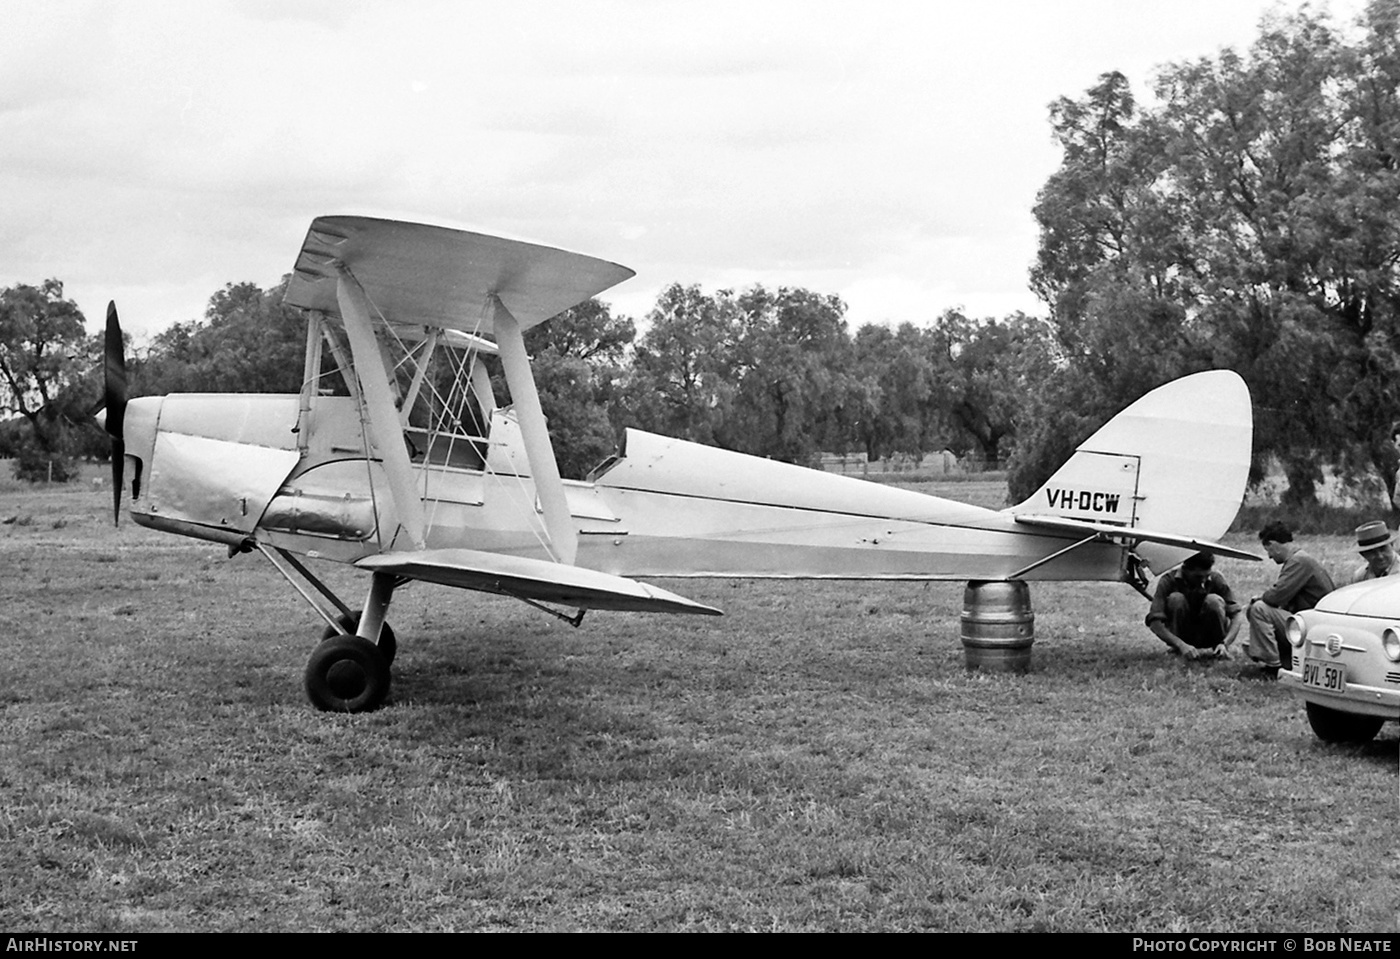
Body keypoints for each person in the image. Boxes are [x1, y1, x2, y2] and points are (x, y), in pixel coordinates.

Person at [1245, 521, 1335, 674]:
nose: (1269, 556)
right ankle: (1282, 658)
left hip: (1313, 627)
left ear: (1273, 544)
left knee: (1259, 609)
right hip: (1312, 623)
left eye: (1268, 550)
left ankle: (1273, 665)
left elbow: (1275, 596)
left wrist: (1259, 598)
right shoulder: (1300, 559)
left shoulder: (1299, 561)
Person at [1145, 551, 1243, 660]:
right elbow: (1155, 623)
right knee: (1176, 599)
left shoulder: (1216, 579)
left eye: (1207, 576)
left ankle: (1218, 649)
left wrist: (1225, 643)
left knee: (1214, 600)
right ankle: (1177, 649)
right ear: (1185, 570)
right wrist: (1180, 644)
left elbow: (1236, 615)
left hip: (1210, 633)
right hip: (1182, 636)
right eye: (1198, 577)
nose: (1203, 581)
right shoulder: (1168, 581)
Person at [1342, 519, 1400, 586]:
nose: (1380, 556)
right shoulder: (1360, 577)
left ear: (1392, 545)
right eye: (1372, 552)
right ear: (1363, 554)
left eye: (1383, 549)